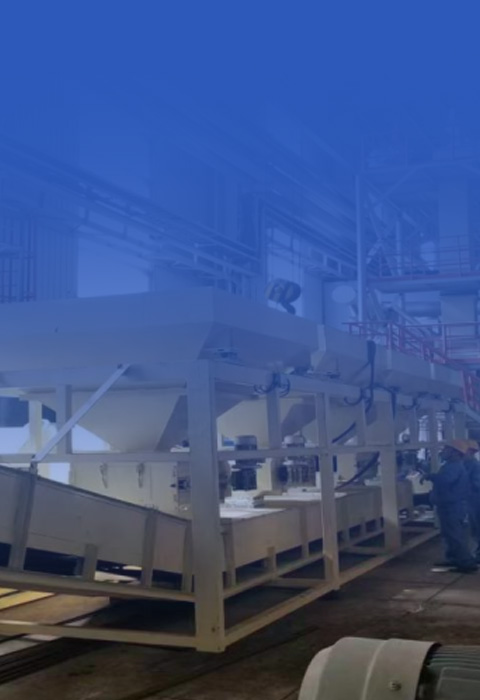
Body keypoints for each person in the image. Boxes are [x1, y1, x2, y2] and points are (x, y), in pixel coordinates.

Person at [421, 439, 477, 573]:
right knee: (450, 535)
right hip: (450, 506)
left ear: (455, 453)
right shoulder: (452, 465)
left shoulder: (454, 466)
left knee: (455, 535)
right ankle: (454, 559)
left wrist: (430, 476)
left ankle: (466, 563)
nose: (443, 451)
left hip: (452, 507)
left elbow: (445, 480)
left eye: (446, 449)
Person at [464, 440, 480, 563]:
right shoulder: (466, 464)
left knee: (477, 527)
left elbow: (477, 484)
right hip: (471, 501)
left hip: (476, 500)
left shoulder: (474, 466)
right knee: (474, 528)